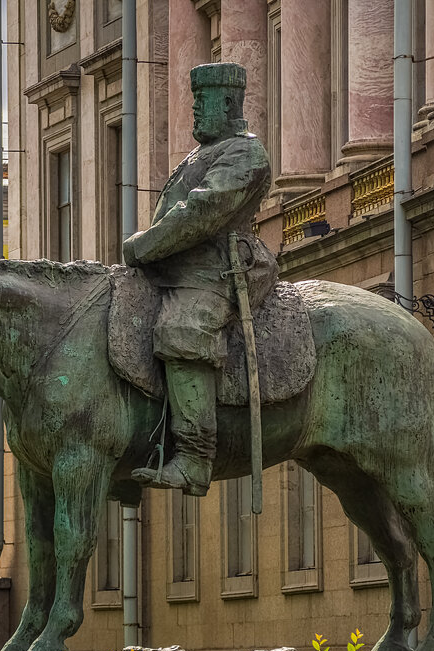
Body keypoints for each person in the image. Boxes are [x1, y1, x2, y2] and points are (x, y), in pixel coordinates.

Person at [123, 62, 277, 497]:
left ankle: (194, 457)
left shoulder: (245, 152)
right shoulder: (201, 153)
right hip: (175, 269)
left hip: (217, 271)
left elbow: (202, 211)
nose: (193, 110)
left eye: (201, 101)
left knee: (182, 329)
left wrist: (143, 246)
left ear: (227, 102)